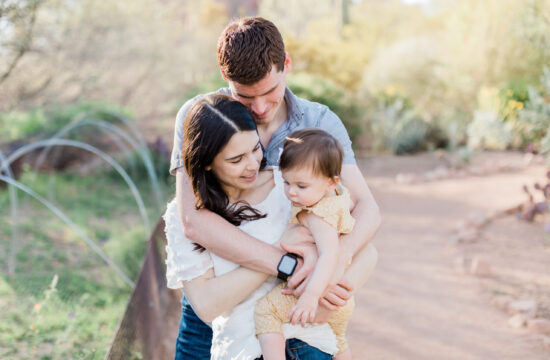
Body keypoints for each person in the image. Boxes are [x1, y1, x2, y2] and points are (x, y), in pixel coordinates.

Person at [169, 17, 381, 359]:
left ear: (286, 65)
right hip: (216, 308)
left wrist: (333, 262)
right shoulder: (200, 119)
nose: (260, 108)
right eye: (246, 96)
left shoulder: (319, 122)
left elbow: (366, 208)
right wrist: (287, 263)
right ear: (226, 77)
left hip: (288, 312)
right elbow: (192, 219)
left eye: (270, 92)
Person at [255, 129, 356, 360]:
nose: (291, 192)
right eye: (287, 182)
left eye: (301, 186)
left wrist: (310, 296)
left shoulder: (316, 214)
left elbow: (330, 253)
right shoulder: (338, 197)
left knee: (266, 312)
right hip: (340, 298)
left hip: (319, 292)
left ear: (331, 183)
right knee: (338, 340)